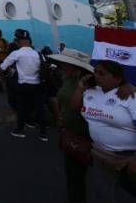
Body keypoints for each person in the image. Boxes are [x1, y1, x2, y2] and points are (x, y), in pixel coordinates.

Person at [73, 59, 136, 198]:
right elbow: (76, 106)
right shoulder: (91, 91)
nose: (96, 76)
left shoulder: (130, 95)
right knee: (103, 195)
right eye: (95, 72)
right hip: (101, 156)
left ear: (118, 78)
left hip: (128, 158)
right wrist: (80, 87)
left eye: (102, 73)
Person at [49, 49, 95, 203]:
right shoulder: (67, 78)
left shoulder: (89, 81)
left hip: (85, 132)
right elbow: (61, 99)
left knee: (77, 174)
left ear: (74, 66)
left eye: (64, 63)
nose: (60, 65)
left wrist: (126, 86)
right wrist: (60, 117)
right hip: (70, 131)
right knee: (73, 174)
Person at [1, 30, 47, 141]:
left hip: (23, 85)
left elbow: (3, 67)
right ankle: (43, 134)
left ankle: (19, 130)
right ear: (29, 41)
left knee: (22, 108)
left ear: (18, 41)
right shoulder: (38, 53)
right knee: (40, 108)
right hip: (38, 85)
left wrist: (11, 71)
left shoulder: (17, 53)